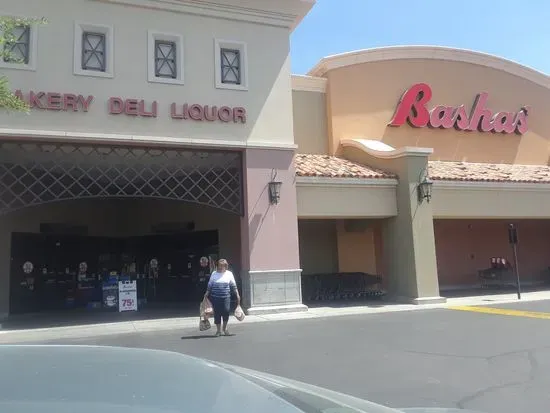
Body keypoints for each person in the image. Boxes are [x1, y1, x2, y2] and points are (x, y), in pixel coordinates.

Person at [204, 259, 240, 336]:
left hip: (226, 297)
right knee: (217, 314)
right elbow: (210, 285)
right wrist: (206, 293)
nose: (220, 267)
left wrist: (237, 294)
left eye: (222, 266)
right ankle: (218, 331)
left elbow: (233, 285)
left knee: (226, 312)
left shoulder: (229, 274)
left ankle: (225, 329)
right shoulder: (214, 274)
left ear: (225, 266)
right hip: (215, 298)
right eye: (219, 265)